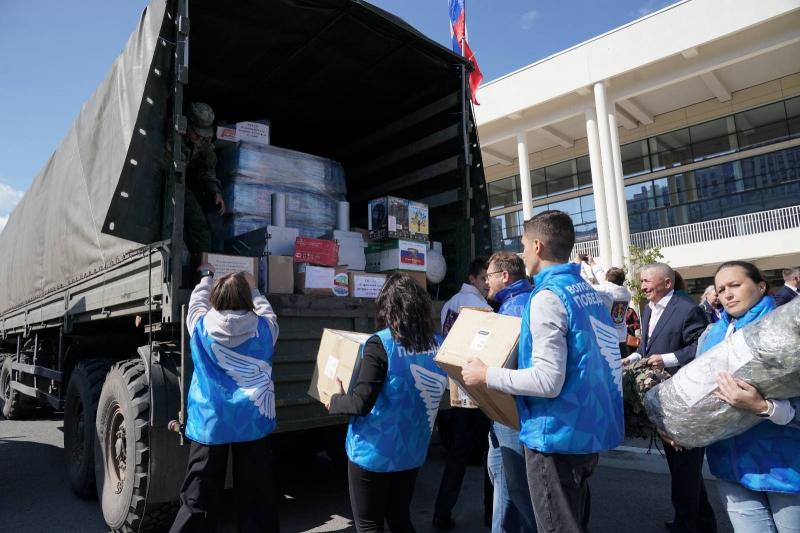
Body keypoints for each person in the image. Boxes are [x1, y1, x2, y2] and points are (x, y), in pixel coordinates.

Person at [463, 210, 624, 533]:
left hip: (555, 436)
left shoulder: (547, 298)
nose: (521, 253)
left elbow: (547, 380)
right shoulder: (590, 293)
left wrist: (486, 375)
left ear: (537, 246)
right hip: (587, 432)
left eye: (523, 245)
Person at [327, 273, 448, 533]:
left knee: (370, 524)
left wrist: (335, 399)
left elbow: (361, 403)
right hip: (413, 450)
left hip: (374, 452)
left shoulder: (381, 344)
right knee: (400, 518)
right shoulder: (437, 345)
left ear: (387, 306)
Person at [692, 260, 800, 533]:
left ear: (761, 286)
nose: (727, 294)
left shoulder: (787, 327)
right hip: (730, 466)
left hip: (786, 468)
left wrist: (763, 407)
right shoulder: (710, 335)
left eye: (735, 285)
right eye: (721, 289)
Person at [171, 265, 280, 533]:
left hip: (210, 423)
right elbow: (267, 311)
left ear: (216, 299)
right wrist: (254, 288)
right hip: (253, 423)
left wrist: (206, 277)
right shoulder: (265, 330)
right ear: (247, 299)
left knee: (198, 497)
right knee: (257, 498)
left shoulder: (199, 327)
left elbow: (196, 302)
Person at [622, 263, 714, 533]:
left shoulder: (688, 310)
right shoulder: (648, 309)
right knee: (685, 470)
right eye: (641, 282)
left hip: (685, 399)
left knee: (685, 467)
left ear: (667, 283)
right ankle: (704, 523)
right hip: (663, 400)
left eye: (647, 281)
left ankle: (687, 525)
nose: (643, 287)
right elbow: (645, 348)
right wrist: (631, 358)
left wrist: (668, 359)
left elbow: (700, 347)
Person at [433, 257, 493, 530]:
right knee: (490, 453)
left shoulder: (448, 305)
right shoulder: (482, 307)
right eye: (483, 278)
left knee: (456, 455)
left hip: (456, 385)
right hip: (478, 387)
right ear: (472, 279)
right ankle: (492, 515)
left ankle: (441, 512)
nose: (487, 283)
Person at [484, 251, 537, 533]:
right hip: (504, 412)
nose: (485, 283)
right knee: (503, 483)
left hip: (512, 411)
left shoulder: (516, 309)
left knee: (519, 489)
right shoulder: (513, 304)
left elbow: (508, 365)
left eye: (489, 276)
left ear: (504, 276)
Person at [171, 102, 226, 253]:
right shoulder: (172, 136)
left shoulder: (202, 141)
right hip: (167, 183)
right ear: (187, 123)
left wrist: (215, 191)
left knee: (203, 226)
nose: (200, 137)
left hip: (183, 184)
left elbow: (207, 167)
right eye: (196, 132)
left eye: (203, 133)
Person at [594, 267, 633, 357]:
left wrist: (579, 266)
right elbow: (605, 282)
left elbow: (586, 285)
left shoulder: (606, 291)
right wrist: (593, 264)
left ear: (607, 279)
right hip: (622, 341)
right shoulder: (626, 293)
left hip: (607, 341)